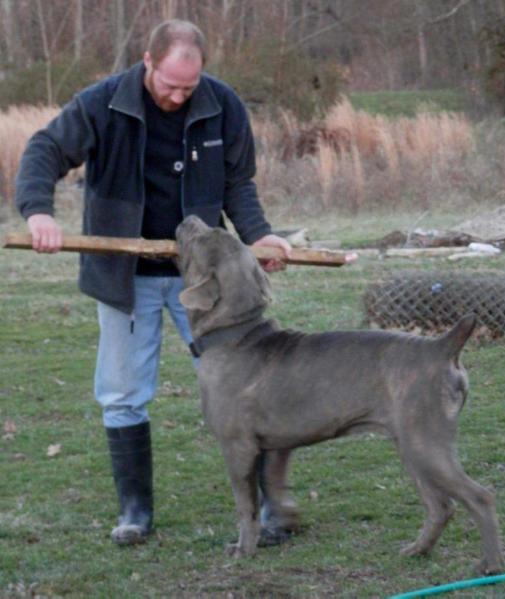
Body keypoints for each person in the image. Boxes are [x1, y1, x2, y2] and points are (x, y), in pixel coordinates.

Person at [15, 19, 292, 546]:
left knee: (246, 387)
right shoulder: (103, 103)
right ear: (148, 61)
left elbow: (238, 184)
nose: (178, 95)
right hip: (127, 276)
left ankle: (267, 507)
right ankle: (135, 511)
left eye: (188, 86)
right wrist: (38, 213)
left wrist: (261, 237)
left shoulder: (223, 105)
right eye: (169, 84)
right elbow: (44, 150)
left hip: (206, 282)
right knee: (123, 393)